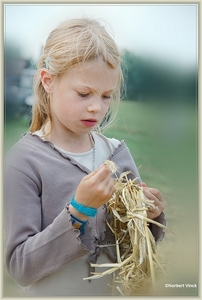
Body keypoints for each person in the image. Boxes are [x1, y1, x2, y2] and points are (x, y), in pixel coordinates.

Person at [4, 18, 166, 296]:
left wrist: (151, 217)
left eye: (106, 96)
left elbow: (135, 250)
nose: (96, 107)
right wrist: (79, 210)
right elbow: (21, 266)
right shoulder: (24, 161)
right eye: (83, 93)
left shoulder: (116, 152)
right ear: (48, 81)